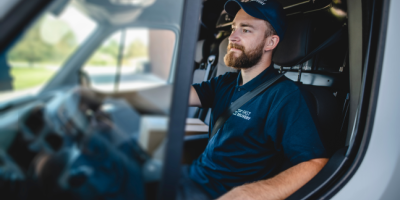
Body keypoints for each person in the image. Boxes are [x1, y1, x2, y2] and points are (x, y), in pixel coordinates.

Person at [179, 0, 329, 199]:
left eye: (246, 30)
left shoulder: (286, 96)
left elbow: (315, 163)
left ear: (270, 42)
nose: (232, 37)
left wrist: (251, 194)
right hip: (190, 178)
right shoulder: (226, 82)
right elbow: (179, 95)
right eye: (233, 28)